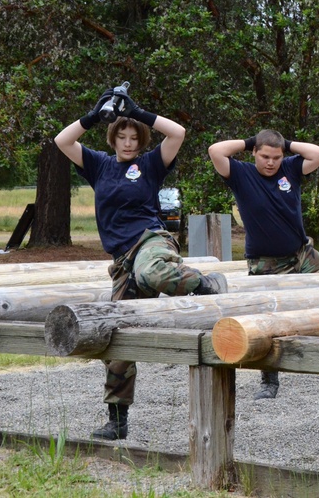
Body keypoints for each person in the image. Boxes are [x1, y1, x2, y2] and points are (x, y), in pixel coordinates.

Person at [54, 85, 227, 441]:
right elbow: (63, 141)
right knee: (115, 337)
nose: (129, 142)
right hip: (122, 261)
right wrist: (93, 113)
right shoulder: (99, 165)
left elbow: (177, 132)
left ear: (142, 140)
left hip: (151, 241)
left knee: (153, 271)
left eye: (135, 136)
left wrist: (138, 111)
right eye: (122, 135)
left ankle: (205, 283)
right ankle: (117, 421)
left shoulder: (150, 164)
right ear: (113, 138)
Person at [208, 130, 319, 400]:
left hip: (301, 254)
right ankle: (269, 380)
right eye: (264, 156)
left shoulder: (290, 168)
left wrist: (286, 145)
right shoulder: (241, 174)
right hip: (265, 262)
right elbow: (215, 150)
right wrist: (250, 141)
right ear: (254, 152)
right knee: (266, 319)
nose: (270, 162)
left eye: (276, 157)